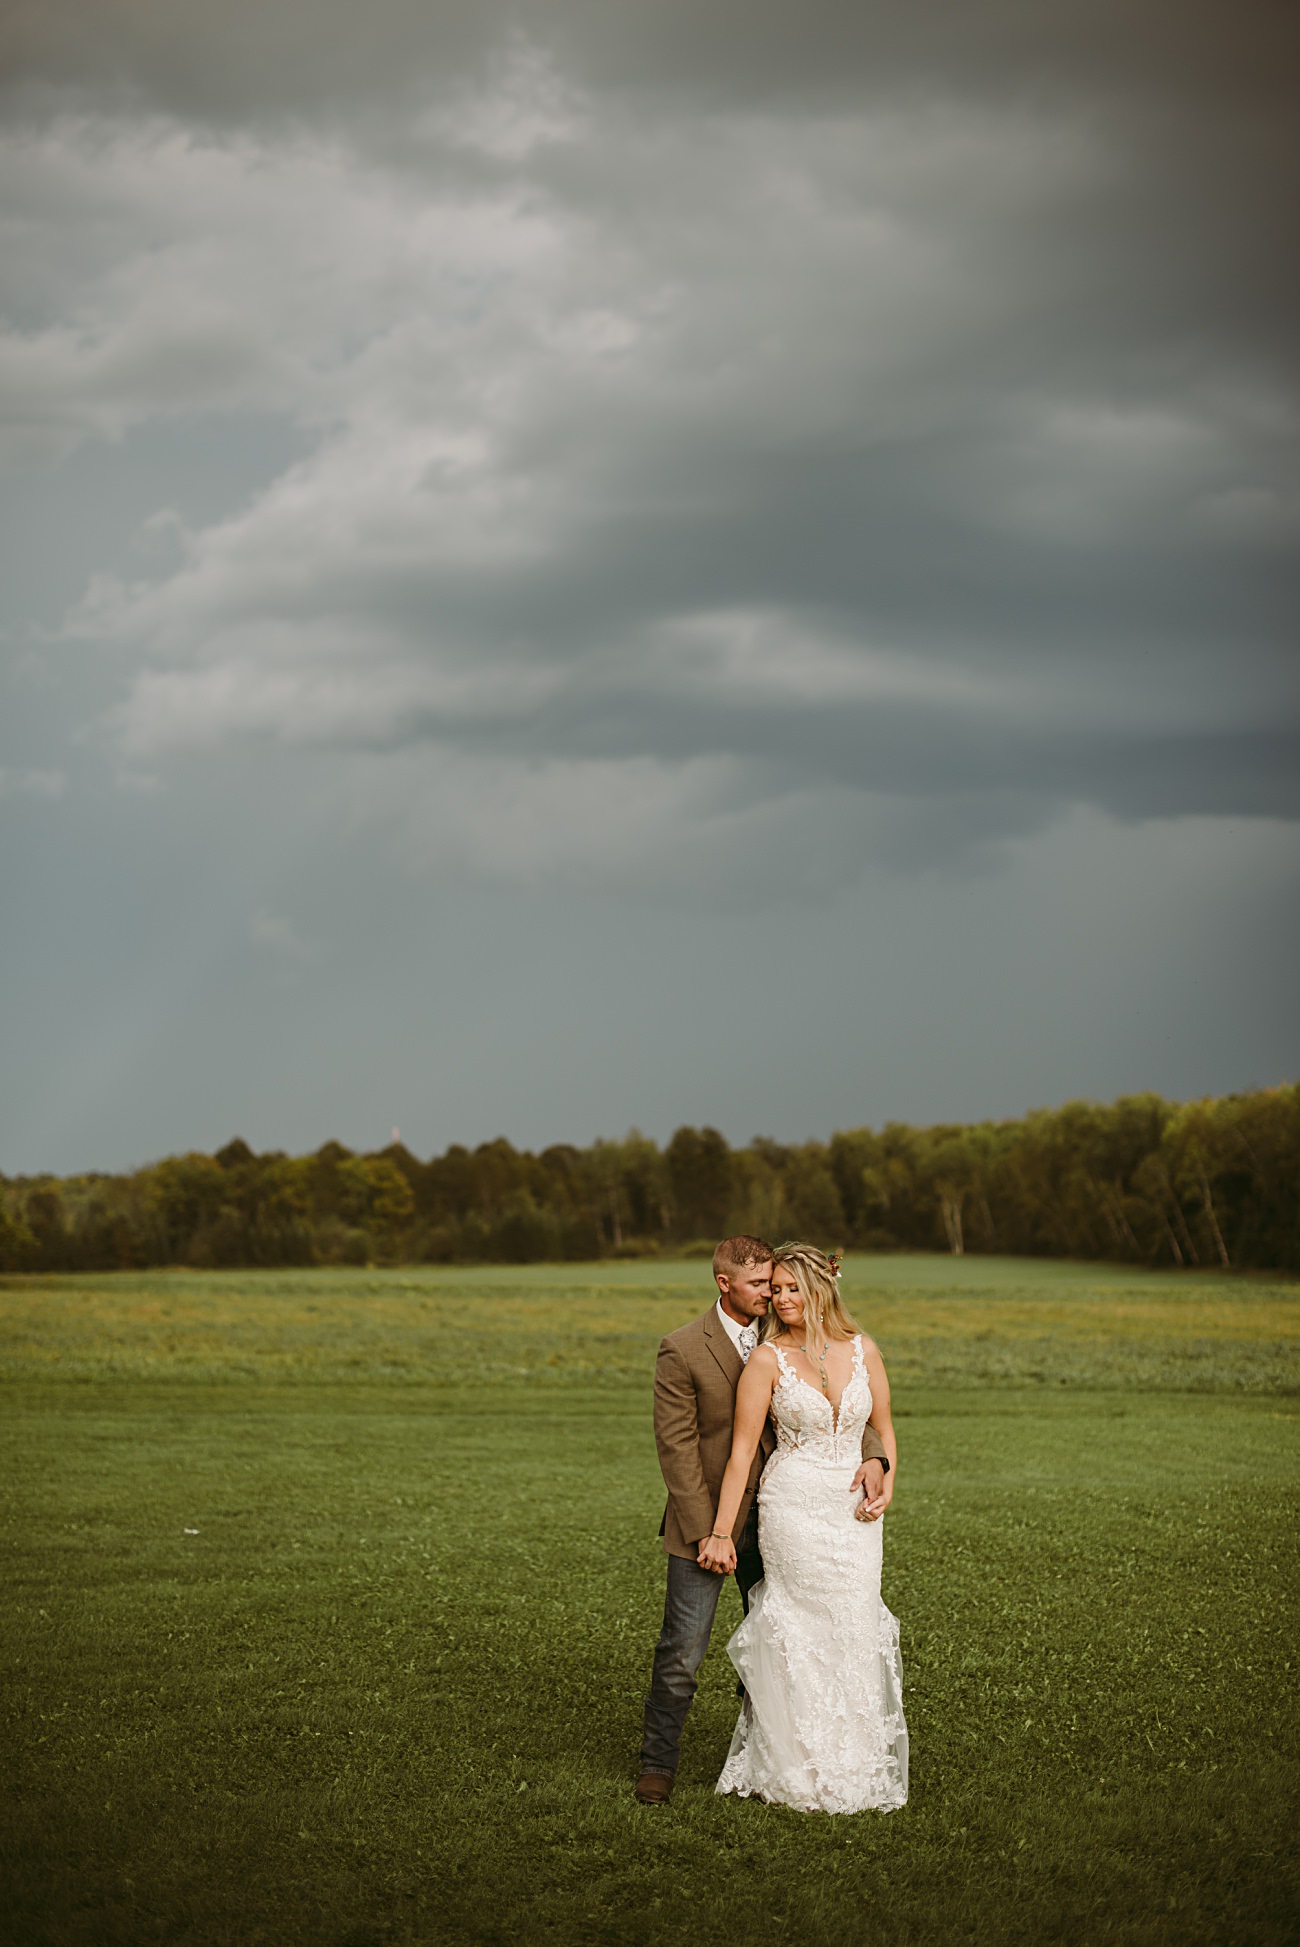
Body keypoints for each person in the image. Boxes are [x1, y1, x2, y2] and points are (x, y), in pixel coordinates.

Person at [635, 1235, 889, 1806]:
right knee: (682, 1651)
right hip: (710, 1521)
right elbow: (676, 1451)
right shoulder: (681, 1348)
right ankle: (658, 1763)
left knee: (778, 1641)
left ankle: (769, 1753)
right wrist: (710, 1533)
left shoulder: (785, 1337)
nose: (771, 1296)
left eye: (777, 1286)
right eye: (760, 1287)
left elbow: (835, 1399)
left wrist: (874, 1454)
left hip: (784, 1516)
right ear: (725, 1284)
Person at [701, 1242, 907, 1813]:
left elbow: (885, 1430)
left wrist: (884, 1479)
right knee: (798, 1626)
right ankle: (791, 1762)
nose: (782, 1299)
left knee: (853, 1621)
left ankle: (856, 1760)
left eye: (793, 1288)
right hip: (791, 1508)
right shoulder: (766, 1360)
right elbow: (742, 1454)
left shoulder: (864, 1349)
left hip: (854, 1515)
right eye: (777, 1289)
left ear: (823, 1289)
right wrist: (720, 1533)